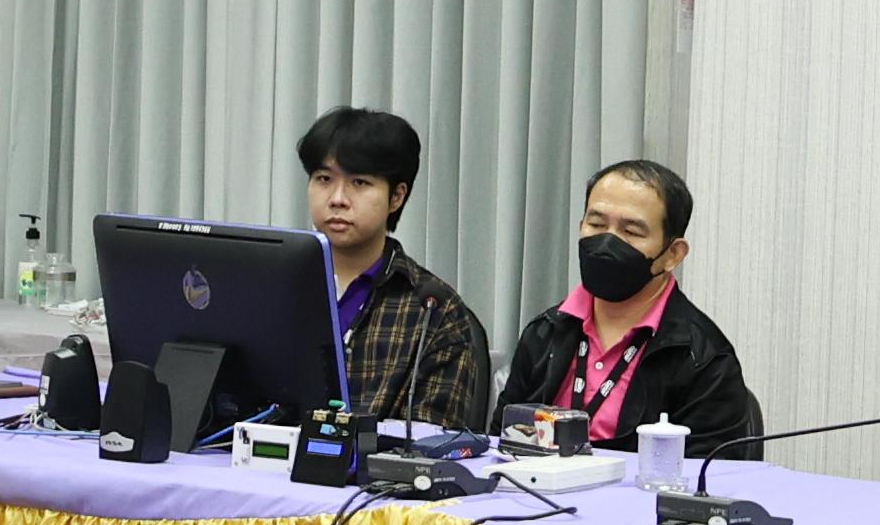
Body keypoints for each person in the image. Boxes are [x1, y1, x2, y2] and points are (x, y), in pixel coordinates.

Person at [494, 157, 765, 457]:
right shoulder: (544, 332)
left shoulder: (704, 359)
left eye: (632, 231)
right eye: (597, 224)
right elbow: (499, 443)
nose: (607, 241)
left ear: (672, 254)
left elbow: (708, 475)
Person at [302, 105, 491, 434]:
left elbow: (430, 441)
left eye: (359, 182)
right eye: (324, 179)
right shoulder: (276, 288)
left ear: (396, 197)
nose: (337, 198)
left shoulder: (435, 311)